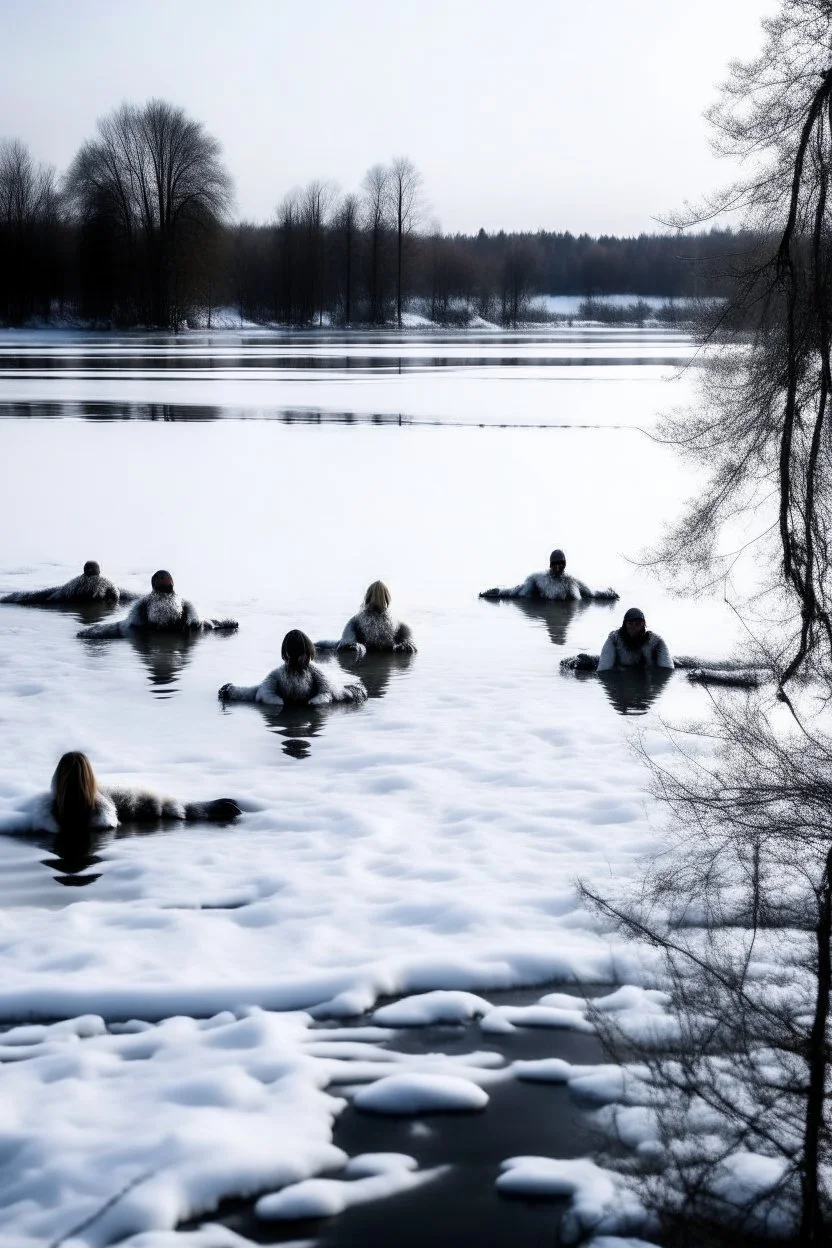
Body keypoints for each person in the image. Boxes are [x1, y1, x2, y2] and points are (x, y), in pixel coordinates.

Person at [7, 751, 242, 836]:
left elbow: (159, 805)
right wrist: (204, 810)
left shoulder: (40, 815)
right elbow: (161, 809)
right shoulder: (42, 811)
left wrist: (204, 808)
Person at [219, 629, 367, 707]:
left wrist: (318, 701)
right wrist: (278, 703)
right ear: (289, 655)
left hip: (310, 700)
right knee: (250, 692)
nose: (303, 659)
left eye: (305, 655)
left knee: (347, 694)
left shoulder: (314, 671)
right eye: (299, 655)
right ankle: (230, 690)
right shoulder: (278, 674)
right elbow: (262, 692)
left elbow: (328, 691)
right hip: (286, 700)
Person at [77, 570, 238, 638]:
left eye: (165, 579)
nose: (164, 581)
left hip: (163, 636)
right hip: (152, 635)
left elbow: (199, 623)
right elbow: (131, 626)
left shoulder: (183, 603)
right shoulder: (145, 604)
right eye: (161, 580)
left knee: (209, 624)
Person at [479, 549, 618, 602]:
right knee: (521, 594)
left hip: (564, 607)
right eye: (555, 563)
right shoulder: (539, 579)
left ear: (565, 564)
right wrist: (494, 594)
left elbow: (592, 594)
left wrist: (611, 595)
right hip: (542, 604)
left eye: (561, 563)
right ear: (551, 564)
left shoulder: (572, 582)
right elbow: (514, 592)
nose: (558, 567)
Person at [335, 581, 417, 658]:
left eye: (381, 596)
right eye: (375, 596)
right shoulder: (355, 622)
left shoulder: (400, 625)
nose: (378, 599)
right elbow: (345, 644)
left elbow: (411, 647)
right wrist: (353, 647)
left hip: (367, 666)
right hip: (368, 664)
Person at [1, 561, 138, 606]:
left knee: (31, 597)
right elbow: (116, 596)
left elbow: (58, 596)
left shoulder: (77, 583)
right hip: (81, 601)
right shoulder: (78, 583)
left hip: (72, 600)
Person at [597, 607, 674, 671]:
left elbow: (667, 670)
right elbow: (603, 669)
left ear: (644, 625)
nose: (634, 628)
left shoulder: (656, 642)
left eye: (638, 624)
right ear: (625, 625)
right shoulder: (614, 639)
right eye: (630, 624)